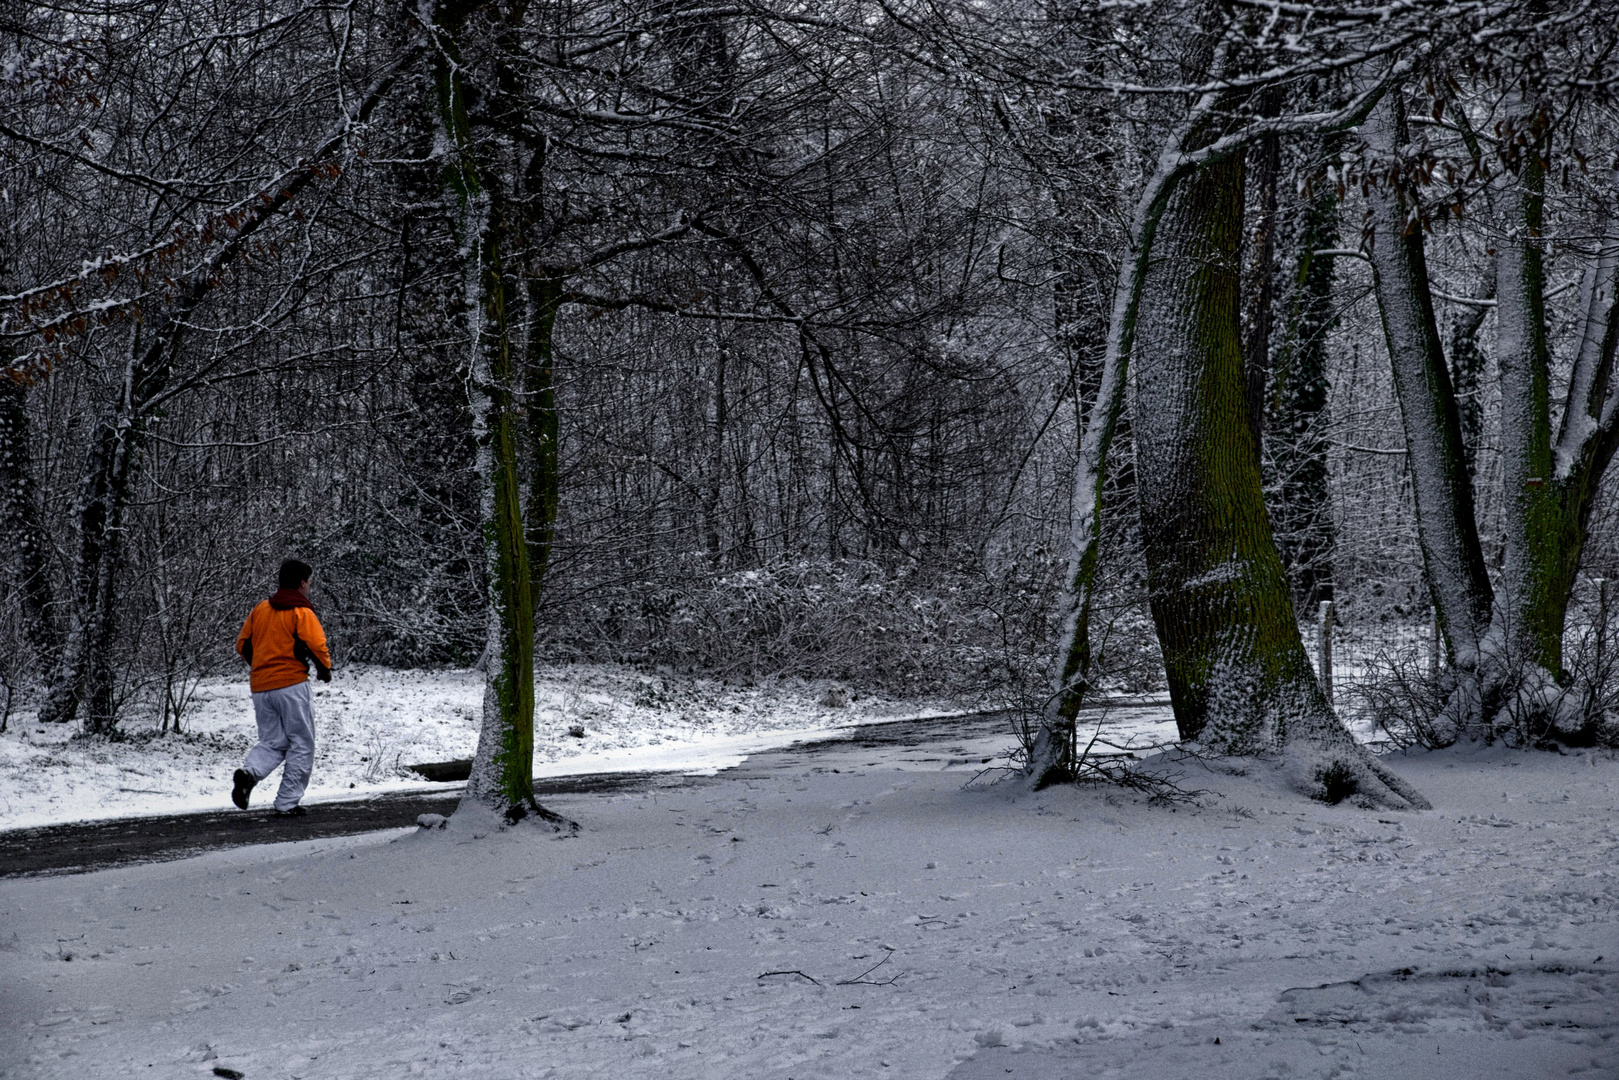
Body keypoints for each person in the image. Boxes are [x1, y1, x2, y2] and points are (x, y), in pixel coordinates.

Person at [231, 559, 332, 816]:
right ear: (301, 583)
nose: (310, 587)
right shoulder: (301, 612)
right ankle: (287, 803)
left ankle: (248, 774)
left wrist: (263, 667)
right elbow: (316, 644)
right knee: (301, 742)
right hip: (291, 685)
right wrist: (324, 669)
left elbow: (242, 644)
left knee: (274, 741)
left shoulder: (260, 610)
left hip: (261, 687)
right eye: (309, 582)